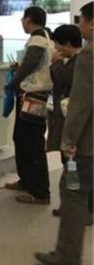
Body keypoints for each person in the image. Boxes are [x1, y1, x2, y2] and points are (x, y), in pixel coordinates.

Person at [35, 1, 94, 265]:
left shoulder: (89, 56)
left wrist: (68, 141)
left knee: (72, 192)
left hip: (85, 143)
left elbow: (81, 104)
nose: (79, 24)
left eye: (81, 19)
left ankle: (67, 256)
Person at [3, 6, 52, 204]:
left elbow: (29, 65)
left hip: (33, 95)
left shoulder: (38, 38)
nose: (22, 22)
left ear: (29, 19)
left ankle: (39, 191)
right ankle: (26, 180)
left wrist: (12, 82)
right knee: (22, 139)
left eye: (23, 18)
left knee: (31, 143)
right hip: (33, 94)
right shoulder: (44, 36)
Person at [47, 24, 82, 217]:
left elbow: (64, 79)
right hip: (66, 120)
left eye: (58, 45)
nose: (56, 49)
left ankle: (75, 207)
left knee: (72, 164)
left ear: (67, 44)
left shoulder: (78, 62)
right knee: (69, 163)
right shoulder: (74, 60)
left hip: (71, 122)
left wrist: (56, 63)